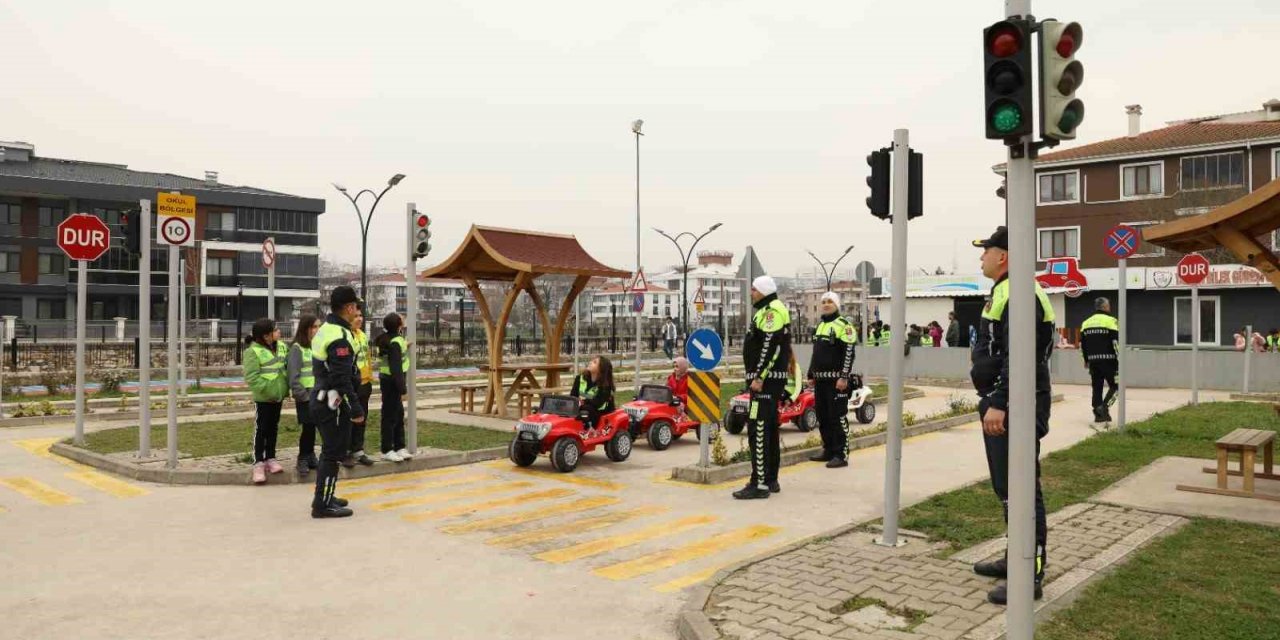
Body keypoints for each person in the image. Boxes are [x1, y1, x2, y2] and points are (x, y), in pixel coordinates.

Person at [969, 226, 1053, 605]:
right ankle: (1014, 558)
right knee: (1008, 490)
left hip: (1015, 404)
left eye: (985, 251)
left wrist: (1001, 401)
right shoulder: (1004, 291)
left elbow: (1022, 354)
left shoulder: (1020, 292)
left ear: (1003, 256)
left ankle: (1029, 572)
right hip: (1000, 402)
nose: (981, 257)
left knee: (1022, 489)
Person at [734, 275, 791, 500]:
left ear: (765, 291)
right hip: (768, 381)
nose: (752, 293)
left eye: (755, 290)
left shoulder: (771, 313)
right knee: (769, 430)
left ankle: (759, 483)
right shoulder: (770, 310)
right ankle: (770, 479)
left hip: (765, 383)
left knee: (757, 429)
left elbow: (770, 347)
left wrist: (758, 377)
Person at [310, 286, 364, 518]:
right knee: (333, 453)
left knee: (329, 452)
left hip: (322, 398)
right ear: (349, 307)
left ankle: (325, 496)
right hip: (333, 402)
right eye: (356, 307)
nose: (357, 311)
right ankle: (322, 505)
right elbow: (341, 379)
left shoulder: (327, 328)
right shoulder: (339, 336)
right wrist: (355, 407)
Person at [806, 291, 856, 468]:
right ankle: (828, 449)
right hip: (820, 381)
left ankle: (841, 454)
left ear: (837, 305)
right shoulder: (820, 326)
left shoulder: (844, 325)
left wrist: (844, 377)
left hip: (837, 382)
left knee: (837, 417)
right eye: (824, 302)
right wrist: (811, 373)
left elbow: (849, 353)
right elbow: (816, 353)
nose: (826, 304)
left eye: (830, 302)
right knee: (823, 416)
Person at [243, 318, 289, 485]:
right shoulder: (253, 352)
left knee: (273, 428)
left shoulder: (282, 347)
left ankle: (271, 457)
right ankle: (258, 463)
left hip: (278, 396)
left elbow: (286, 368)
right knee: (261, 429)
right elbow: (252, 378)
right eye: (275, 330)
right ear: (266, 336)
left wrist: (283, 390)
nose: (279, 332)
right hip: (264, 398)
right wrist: (269, 391)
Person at [375, 312, 413, 463]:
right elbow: (396, 367)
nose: (404, 319)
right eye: (401, 319)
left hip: (388, 380)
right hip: (392, 382)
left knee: (398, 414)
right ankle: (387, 449)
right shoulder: (395, 342)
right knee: (390, 416)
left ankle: (399, 447)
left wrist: (405, 344)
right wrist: (403, 390)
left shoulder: (388, 339)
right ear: (398, 325)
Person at [287, 314, 320, 477]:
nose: (317, 330)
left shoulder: (315, 347)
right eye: (315, 327)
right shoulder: (297, 348)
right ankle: (303, 457)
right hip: (305, 395)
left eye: (319, 327)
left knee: (313, 426)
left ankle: (311, 455)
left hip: (316, 393)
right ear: (306, 328)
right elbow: (293, 376)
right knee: (307, 427)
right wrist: (303, 396)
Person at [1080, 297, 1119, 424]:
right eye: (1109, 305)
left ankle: (1098, 414)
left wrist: (1086, 360)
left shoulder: (1085, 323)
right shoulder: (1111, 321)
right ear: (1105, 307)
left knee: (1097, 387)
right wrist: (1120, 359)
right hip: (1110, 361)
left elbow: (1083, 345)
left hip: (1093, 362)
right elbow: (1116, 342)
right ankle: (1104, 407)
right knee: (1117, 386)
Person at [344, 310, 375, 467]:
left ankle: (358, 449)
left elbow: (367, 358)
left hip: (364, 383)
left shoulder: (362, 334)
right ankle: (346, 451)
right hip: (351, 384)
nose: (359, 319)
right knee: (349, 418)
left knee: (362, 417)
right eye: (356, 316)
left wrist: (369, 378)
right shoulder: (346, 335)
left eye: (361, 316)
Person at [570, 356, 615, 433]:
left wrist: (583, 401)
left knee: (586, 409)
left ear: (601, 369)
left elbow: (598, 403)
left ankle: (589, 429)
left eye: (595, 362)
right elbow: (573, 396)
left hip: (600, 414)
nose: (590, 362)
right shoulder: (579, 378)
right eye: (592, 360)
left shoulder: (606, 385)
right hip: (584, 409)